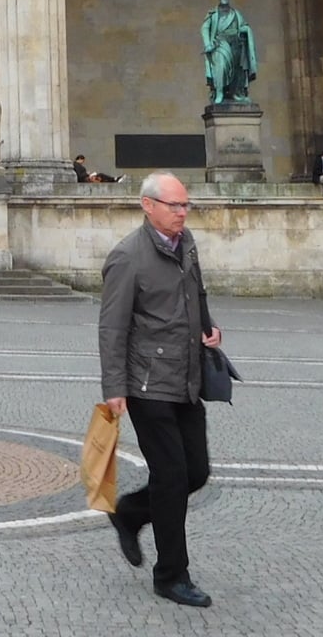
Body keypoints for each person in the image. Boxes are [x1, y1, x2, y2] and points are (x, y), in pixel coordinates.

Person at [98, 172, 223, 610]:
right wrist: (115, 386)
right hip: (148, 384)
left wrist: (208, 328)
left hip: (186, 376)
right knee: (171, 477)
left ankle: (129, 513)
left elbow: (197, 293)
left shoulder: (186, 244)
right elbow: (112, 327)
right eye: (174, 205)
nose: (182, 212)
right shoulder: (127, 257)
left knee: (196, 473)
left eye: (185, 205)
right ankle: (171, 574)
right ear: (147, 206)